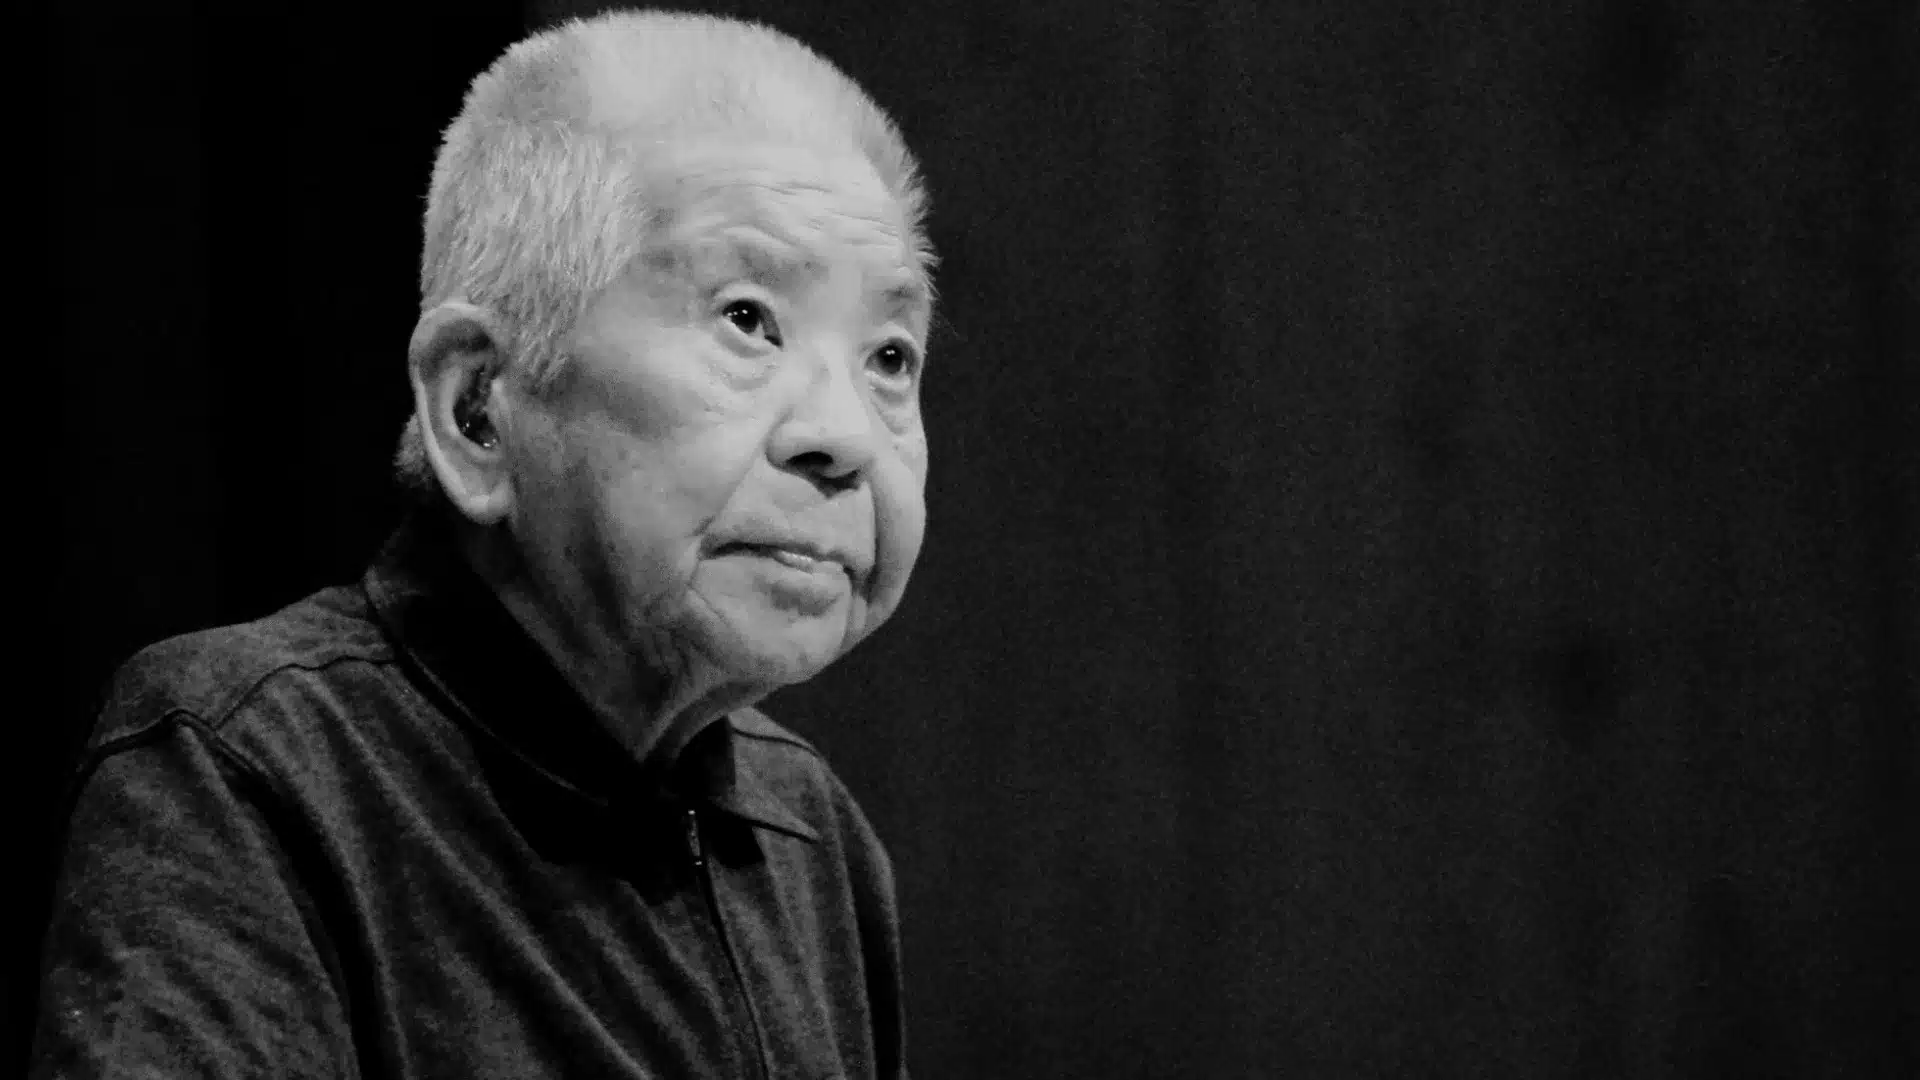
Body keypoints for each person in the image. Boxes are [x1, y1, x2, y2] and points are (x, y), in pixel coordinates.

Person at [31, 9, 933, 1078]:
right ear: (477, 408)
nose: (842, 434)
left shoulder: (810, 835)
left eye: (888, 355)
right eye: (748, 319)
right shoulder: (247, 766)